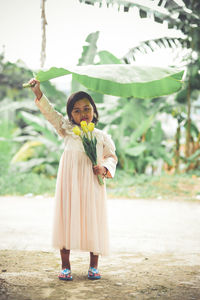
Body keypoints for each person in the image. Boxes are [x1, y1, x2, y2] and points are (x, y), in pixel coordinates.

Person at [29, 78, 117, 281]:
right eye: (76, 110)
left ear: (94, 111)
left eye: (86, 108)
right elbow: (51, 114)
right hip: (69, 184)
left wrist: (104, 168)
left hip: (92, 184)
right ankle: (65, 266)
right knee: (66, 219)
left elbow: (112, 156)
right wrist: (38, 94)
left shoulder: (101, 136)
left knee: (94, 218)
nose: (82, 113)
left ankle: (94, 266)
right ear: (70, 115)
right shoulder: (66, 130)